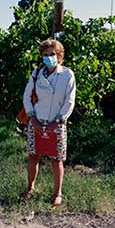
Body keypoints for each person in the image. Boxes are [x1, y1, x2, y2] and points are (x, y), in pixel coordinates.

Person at [22, 38, 76, 208]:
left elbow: (70, 100)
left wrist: (59, 121)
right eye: (45, 55)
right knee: (33, 156)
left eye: (52, 54)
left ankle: (57, 193)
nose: (49, 57)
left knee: (56, 159)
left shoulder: (67, 74)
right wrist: (32, 117)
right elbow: (26, 96)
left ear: (59, 55)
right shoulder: (36, 74)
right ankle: (30, 188)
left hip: (57, 123)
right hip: (37, 121)